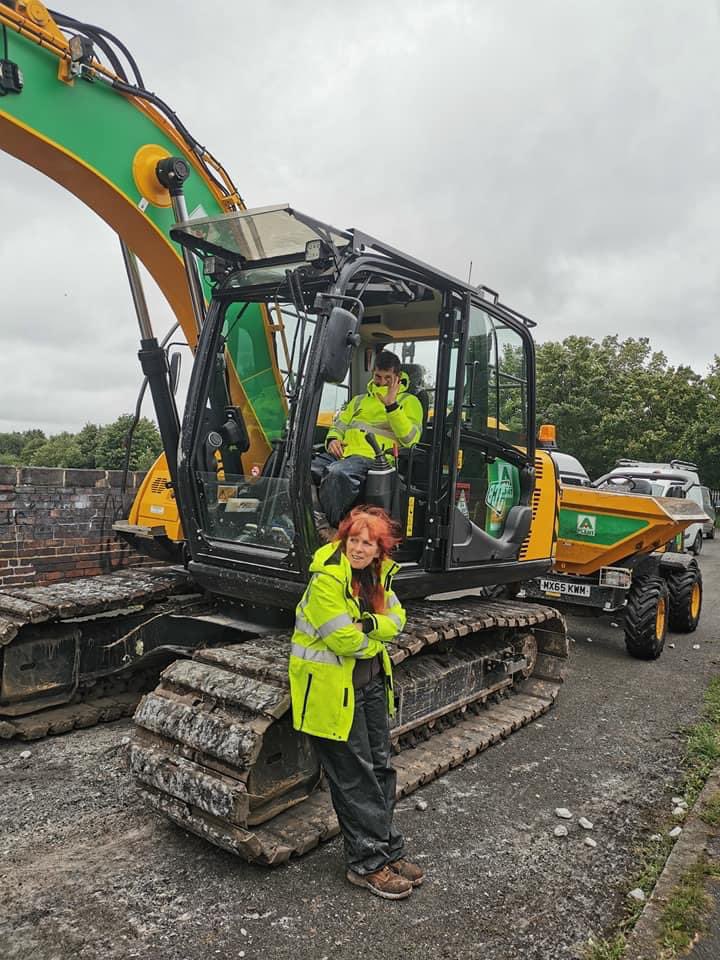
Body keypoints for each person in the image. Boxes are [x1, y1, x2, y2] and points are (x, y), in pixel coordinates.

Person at [288, 506, 425, 899]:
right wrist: (374, 637)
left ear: (380, 549)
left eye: (368, 543)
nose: (359, 549)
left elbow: (398, 618)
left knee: (380, 769)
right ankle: (366, 864)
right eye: (353, 540)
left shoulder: (377, 577)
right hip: (333, 692)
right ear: (343, 540)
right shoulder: (326, 581)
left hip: (368, 688)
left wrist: (368, 627)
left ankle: (386, 849)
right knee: (355, 777)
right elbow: (343, 640)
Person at [311, 351, 424, 534]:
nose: (381, 381)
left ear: (397, 377)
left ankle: (331, 530)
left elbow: (410, 440)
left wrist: (391, 405)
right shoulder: (358, 400)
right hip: (343, 454)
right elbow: (340, 425)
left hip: (375, 458)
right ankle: (308, 522)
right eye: (378, 376)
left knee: (337, 474)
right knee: (297, 468)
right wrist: (333, 439)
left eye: (388, 377)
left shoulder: (410, 402)